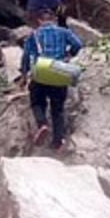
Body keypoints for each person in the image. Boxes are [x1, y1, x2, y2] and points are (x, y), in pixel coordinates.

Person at [20, 8, 83, 150]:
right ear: (54, 19)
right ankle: (57, 141)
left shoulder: (34, 35)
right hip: (57, 71)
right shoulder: (64, 32)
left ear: (40, 21)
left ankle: (42, 124)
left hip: (40, 72)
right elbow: (78, 45)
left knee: (37, 102)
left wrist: (24, 75)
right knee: (58, 109)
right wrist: (68, 55)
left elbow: (25, 57)